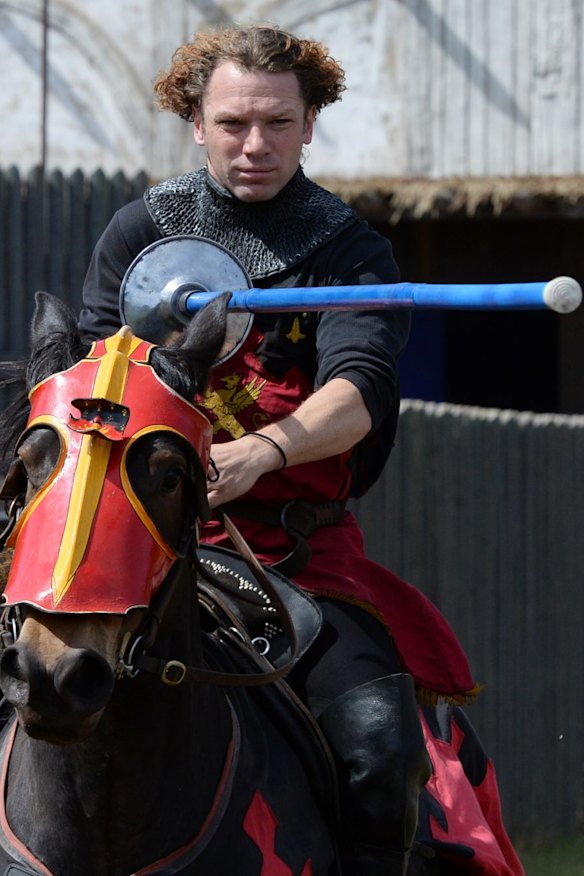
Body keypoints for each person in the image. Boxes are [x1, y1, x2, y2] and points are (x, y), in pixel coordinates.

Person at [79, 25, 523, 876]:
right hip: (136, 545)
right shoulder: (139, 233)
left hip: (297, 555)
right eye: (235, 123)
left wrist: (262, 453)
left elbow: (355, 394)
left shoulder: (353, 251)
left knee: (377, 744)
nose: (256, 144)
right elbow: (97, 375)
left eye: (278, 122)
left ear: (311, 121)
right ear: (196, 123)